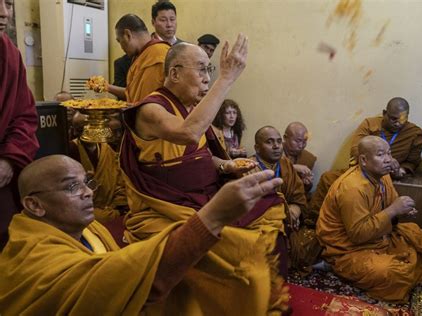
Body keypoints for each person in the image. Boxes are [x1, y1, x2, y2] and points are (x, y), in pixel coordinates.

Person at [0, 155, 287, 314]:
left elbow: (126, 273)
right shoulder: (31, 257)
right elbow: (109, 284)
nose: (88, 192)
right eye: (71, 187)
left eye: (86, 182)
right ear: (34, 205)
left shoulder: (88, 228)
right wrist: (212, 217)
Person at [120, 35, 289, 302]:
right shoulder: (151, 109)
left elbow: (198, 156)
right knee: (231, 244)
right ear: (174, 73)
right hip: (167, 207)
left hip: (203, 194)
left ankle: (259, 288)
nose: (208, 78)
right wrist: (227, 78)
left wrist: (226, 165)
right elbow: (188, 134)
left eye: (210, 70)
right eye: (202, 69)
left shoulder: (192, 109)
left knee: (270, 203)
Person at [316, 136, 422, 301]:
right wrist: (394, 209)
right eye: (381, 155)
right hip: (347, 249)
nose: (388, 160)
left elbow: (390, 201)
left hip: (377, 236)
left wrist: (403, 210)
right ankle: (334, 266)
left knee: (420, 237)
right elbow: (358, 235)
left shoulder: (383, 175)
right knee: (393, 272)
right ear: (364, 160)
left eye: (389, 153)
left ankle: (392, 266)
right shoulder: (352, 188)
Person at [310, 97, 422, 216]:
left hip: (389, 176)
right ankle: (313, 218)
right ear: (384, 113)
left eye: (402, 120)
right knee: (327, 178)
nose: (398, 123)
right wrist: (376, 163)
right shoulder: (369, 124)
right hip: (364, 172)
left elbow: (412, 162)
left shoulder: (415, 133)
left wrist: (401, 170)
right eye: (393, 119)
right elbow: (356, 149)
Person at [249, 126, 318, 274]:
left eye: (279, 141)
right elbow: (249, 210)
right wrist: (282, 213)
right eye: (270, 142)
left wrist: (295, 209)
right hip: (264, 226)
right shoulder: (249, 169)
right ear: (257, 147)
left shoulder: (285, 164)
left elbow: (298, 196)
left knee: (317, 237)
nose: (276, 146)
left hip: (288, 222)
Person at [0, 0, 39, 250]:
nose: (3, 13)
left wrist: (8, 160)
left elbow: (24, 115)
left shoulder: (9, 53)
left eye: (9, 4)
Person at [69, 112, 128, 224]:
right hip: (84, 208)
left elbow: (119, 181)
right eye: (79, 129)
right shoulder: (70, 150)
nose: (81, 133)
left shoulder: (107, 149)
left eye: (86, 128)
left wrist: (119, 206)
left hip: (110, 207)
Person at [106, 14, 170, 103]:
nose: (121, 47)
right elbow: (132, 95)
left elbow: (150, 101)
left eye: (119, 41)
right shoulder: (142, 55)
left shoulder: (158, 53)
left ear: (127, 35)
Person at [283, 122, 317, 194]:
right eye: (297, 141)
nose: (301, 145)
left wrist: (306, 184)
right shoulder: (273, 151)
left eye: (304, 141)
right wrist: (292, 167)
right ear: (285, 138)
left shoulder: (308, 158)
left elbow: (304, 192)